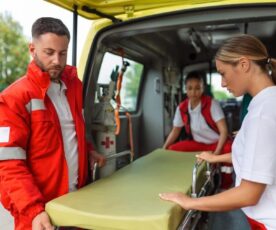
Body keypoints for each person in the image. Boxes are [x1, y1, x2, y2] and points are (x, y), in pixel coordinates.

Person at [159, 34, 276, 229]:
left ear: (244, 65)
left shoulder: (262, 113)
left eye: (223, 73)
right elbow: (257, 157)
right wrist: (216, 159)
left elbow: (250, 193)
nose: (222, 83)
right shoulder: (265, 104)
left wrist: (191, 202)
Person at [0, 17, 106, 230]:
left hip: (76, 204)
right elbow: (8, 164)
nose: (57, 60)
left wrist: (90, 150)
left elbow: (74, 130)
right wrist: (33, 210)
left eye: (63, 53)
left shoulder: (74, 86)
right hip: (41, 213)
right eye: (49, 52)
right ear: (33, 49)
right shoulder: (13, 98)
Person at [163, 71, 233, 189]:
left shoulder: (211, 104)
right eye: (190, 88)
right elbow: (175, 131)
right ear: (185, 89)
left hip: (216, 143)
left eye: (197, 88)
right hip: (198, 144)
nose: (193, 92)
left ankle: (225, 186)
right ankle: (181, 177)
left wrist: (215, 155)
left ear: (202, 88)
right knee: (172, 149)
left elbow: (224, 131)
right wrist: (164, 148)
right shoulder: (182, 107)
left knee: (228, 149)